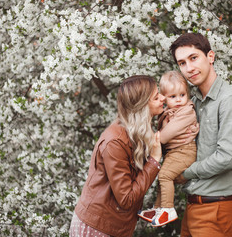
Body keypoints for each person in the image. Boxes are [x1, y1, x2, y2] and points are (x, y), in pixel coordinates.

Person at [170, 33, 232, 237]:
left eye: (193, 58)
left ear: (211, 57)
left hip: (216, 208)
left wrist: (185, 173)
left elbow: (228, 157)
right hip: (194, 206)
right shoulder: (193, 103)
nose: (189, 68)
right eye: (182, 63)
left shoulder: (230, 99)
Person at [69, 75, 165, 237]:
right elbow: (126, 198)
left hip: (114, 226)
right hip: (98, 228)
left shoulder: (135, 131)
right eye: (156, 97)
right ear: (142, 107)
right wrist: (154, 161)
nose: (163, 98)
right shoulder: (115, 142)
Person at [137, 71, 198, 227]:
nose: (178, 100)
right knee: (161, 178)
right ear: (164, 97)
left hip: (185, 152)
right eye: (172, 96)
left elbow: (163, 137)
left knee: (165, 176)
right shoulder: (167, 113)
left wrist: (153, 139)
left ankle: (168, 209)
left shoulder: (186, 112)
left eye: (182, 94)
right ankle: (158, 208)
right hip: (174, 153)